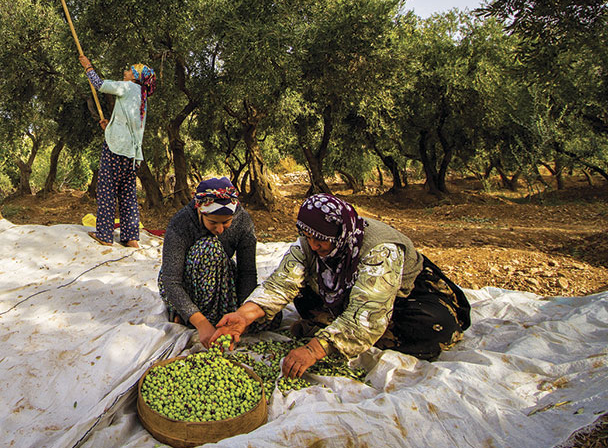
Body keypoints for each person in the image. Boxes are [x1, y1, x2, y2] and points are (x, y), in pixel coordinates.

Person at [210, 193, 471, 377]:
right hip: (348, 294)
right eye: (308, 237)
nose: (314, 245)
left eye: (321, 239)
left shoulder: (380, 250)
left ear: (341, 233)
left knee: (433, 327)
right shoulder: (310, 245)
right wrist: (243, 316)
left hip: (405, 295)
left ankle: (345, 333)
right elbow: (280, 284)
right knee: (302, 295)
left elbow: (369, 311)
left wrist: (315, 349)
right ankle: (343, 331)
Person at [158, 177, 273, 348]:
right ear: (200, 211)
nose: (220, 229)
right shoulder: (181, 223)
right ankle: (189, 314)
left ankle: (217, 317)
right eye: (213, 222)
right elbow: (171, 280)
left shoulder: (243, 221)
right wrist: (200, 322)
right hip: (188, 283)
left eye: (226, 222)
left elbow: (247, 272)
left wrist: (241, 316)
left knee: (269, 316)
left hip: (220, 276)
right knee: (208, 247)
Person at [78, 54, 156, 248]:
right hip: (132, 154)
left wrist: (88, 67)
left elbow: (100, 85)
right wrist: (110, 127)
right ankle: (131, 238)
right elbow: (128, 122)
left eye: (129, 70)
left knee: (107, 189)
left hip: (115, 149)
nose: (125, 72)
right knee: (127, 193)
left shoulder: (128, 87)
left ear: (135, 77)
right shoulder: (142, 97)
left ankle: (104, 234)